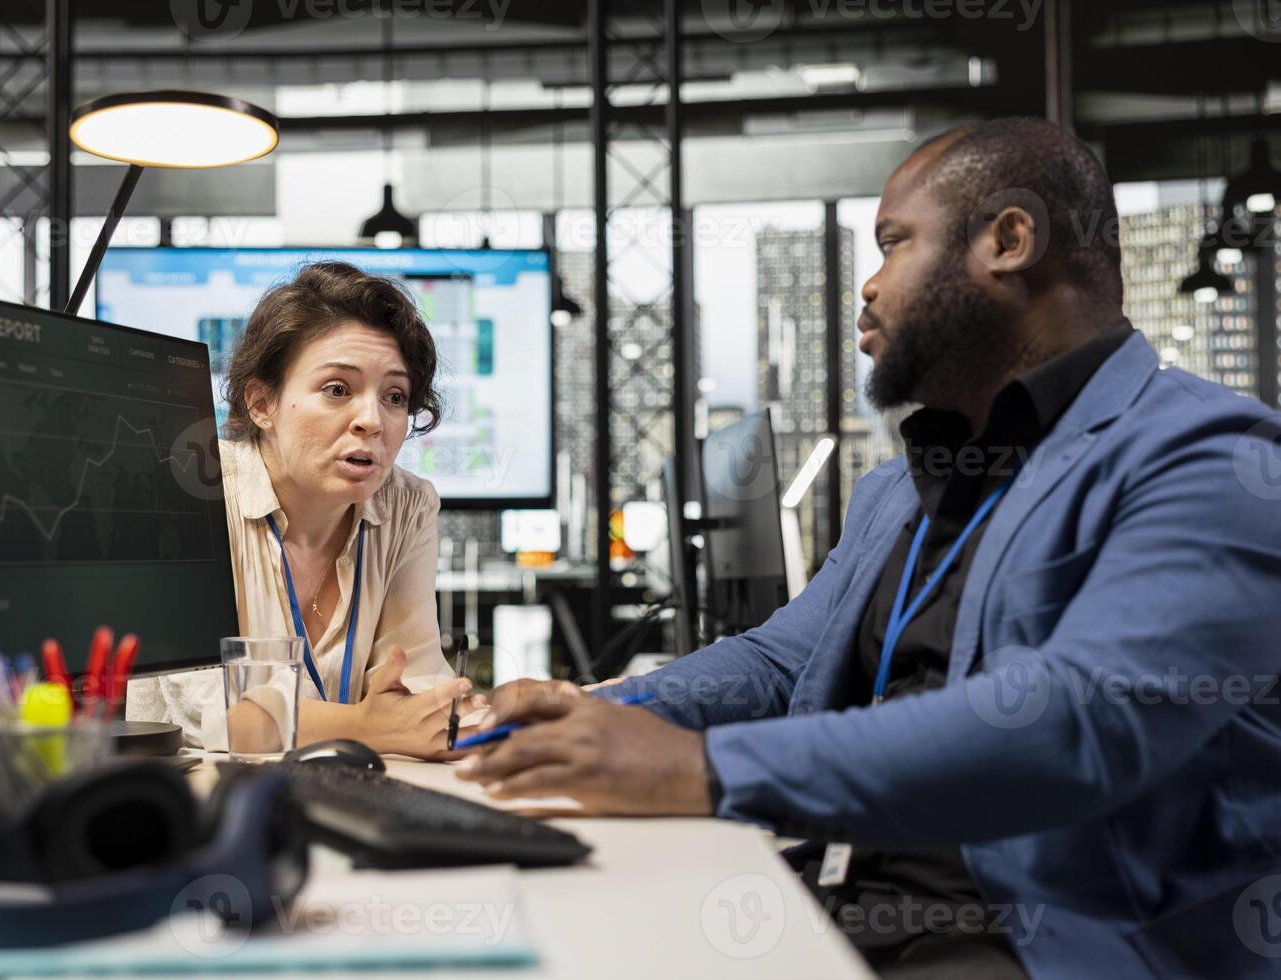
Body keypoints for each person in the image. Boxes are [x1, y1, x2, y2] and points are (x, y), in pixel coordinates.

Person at [456, 118, 1281, 979]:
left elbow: (1080, 722)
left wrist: (700, 767)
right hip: (853, 896)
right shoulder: (903, 489)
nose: (871, 286)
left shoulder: (1214, 459)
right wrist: (605, 710)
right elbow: (782, 662)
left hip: (1040, 946)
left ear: (1009, 239)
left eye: (894, 244)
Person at [130, 261, 477, 758]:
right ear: (261, 404)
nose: (371, 420)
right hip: (192, 805)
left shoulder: (406, 506)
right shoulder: (187, 491)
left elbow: (416, 678)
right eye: (337, 389)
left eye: (395, 396)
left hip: (341, 794)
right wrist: (367, 725)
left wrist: (486, 713)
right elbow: (212, 711)